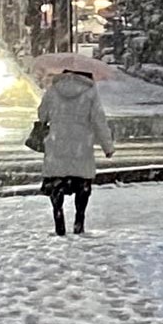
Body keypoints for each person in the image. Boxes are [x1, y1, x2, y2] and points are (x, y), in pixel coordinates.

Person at [38, 70, 114, 235]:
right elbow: (99, 120)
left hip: (57, 144)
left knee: (56, 183)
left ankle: (59, 220)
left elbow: (42, 115)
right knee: (82, 186)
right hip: (82, 146)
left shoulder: (53, 90)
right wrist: (107, 147)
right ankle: (79, 221)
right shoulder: (90, 92)